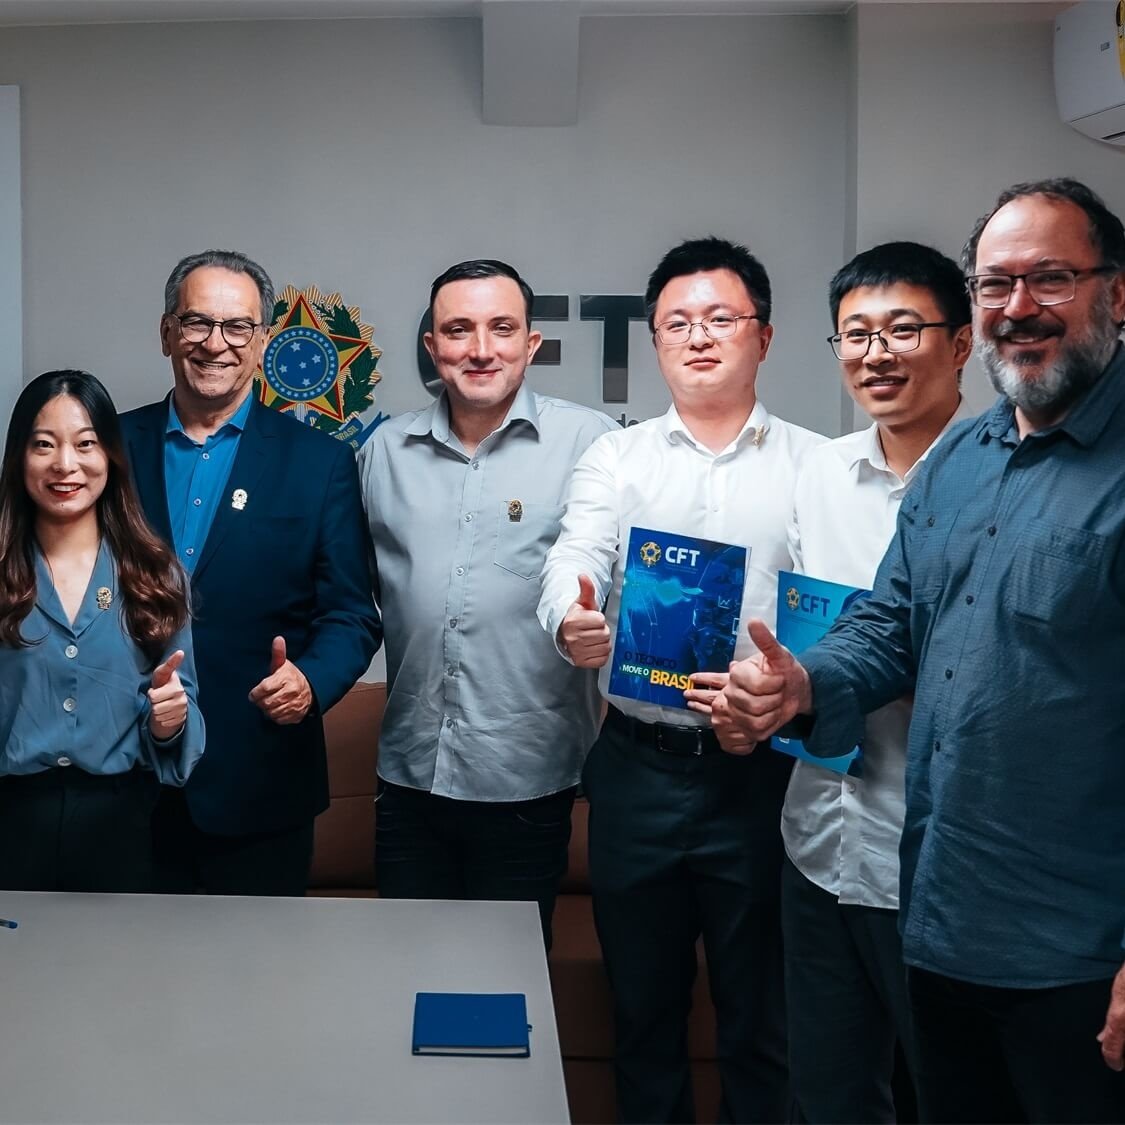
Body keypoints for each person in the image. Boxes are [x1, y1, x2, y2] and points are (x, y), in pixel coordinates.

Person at [718, 178, 1125, 1123]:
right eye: (995, 285)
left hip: (1076, 951)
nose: (1017, 308)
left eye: (1050, 279)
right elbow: (889, 623)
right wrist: (800, 681)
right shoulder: (967, 454)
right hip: (940, 922)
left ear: (1115, 292)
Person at [538, 237, 824, 1123]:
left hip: (763, 774)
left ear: (763, 337)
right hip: (639, 769)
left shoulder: (817, 465)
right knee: (644, 1017)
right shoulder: (617, 460)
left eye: (720, 319)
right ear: (655, 339)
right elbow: (573, 554)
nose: (698, 337)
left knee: (761, 1023)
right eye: (677, 323)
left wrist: (792, 687)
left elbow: (840, 617)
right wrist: (569, 619)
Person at [358, 259, 615, 949]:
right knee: (404, 976)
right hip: (408, 777)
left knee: (507, 987)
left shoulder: (591, 445)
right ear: (431, 345)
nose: (479, 348)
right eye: (458, 329)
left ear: (531, 343)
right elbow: (350, 601)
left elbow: (618, 586)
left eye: (501, 328)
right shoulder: (382, 451)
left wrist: (603, 629)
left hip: (526, 781)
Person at [780, 242, 972, 1124]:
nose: (875, 354)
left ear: (962, 341)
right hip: (818, 841)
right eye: (854, 334)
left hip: (943, 865)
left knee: (947, 1093)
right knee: (828, 1094)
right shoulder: (815, 475)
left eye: (903, 330)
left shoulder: (1000, 478)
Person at [120, 249, 381, 897]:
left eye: (238, 327)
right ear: (165, 333)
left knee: (257, 989)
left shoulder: (318, 463)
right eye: (197, 323)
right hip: (123, 782)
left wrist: (312, 682)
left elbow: (352, 614)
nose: (216, 344)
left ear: (263, 341)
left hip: (261, 784)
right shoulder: (109, 450)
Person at [0, 369, 203, 892]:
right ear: (19, 456)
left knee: (114, 970)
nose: (65, 464)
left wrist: (169, 722)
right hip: (12, 820)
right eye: (43, 444)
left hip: (123, 824)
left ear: (110, 455)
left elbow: (181, 715)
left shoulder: (156, 575)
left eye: (85, 444)